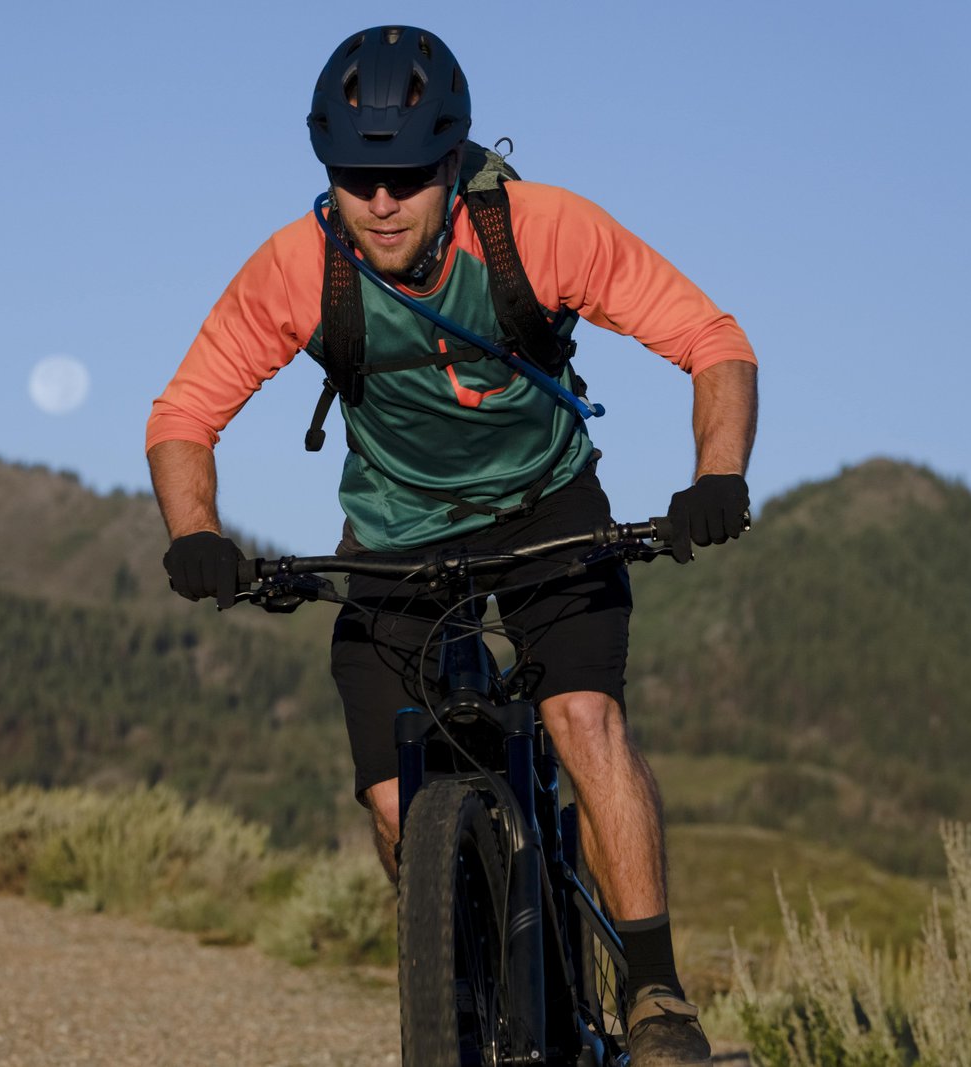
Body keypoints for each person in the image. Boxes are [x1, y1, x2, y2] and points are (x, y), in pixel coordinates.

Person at [145, 25, 756, 1067]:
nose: (379, 202)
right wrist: (194, 532)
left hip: (547, 506)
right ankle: (461, 972)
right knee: (394, 796)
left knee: (580, 715)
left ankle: (655, 991)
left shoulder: (540, 230)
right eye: (354, 177)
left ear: (450, 160)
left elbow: (713, 342)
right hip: (394, 532)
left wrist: (718, 472)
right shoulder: (300, 267)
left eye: (404, 177)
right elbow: (184, 415)